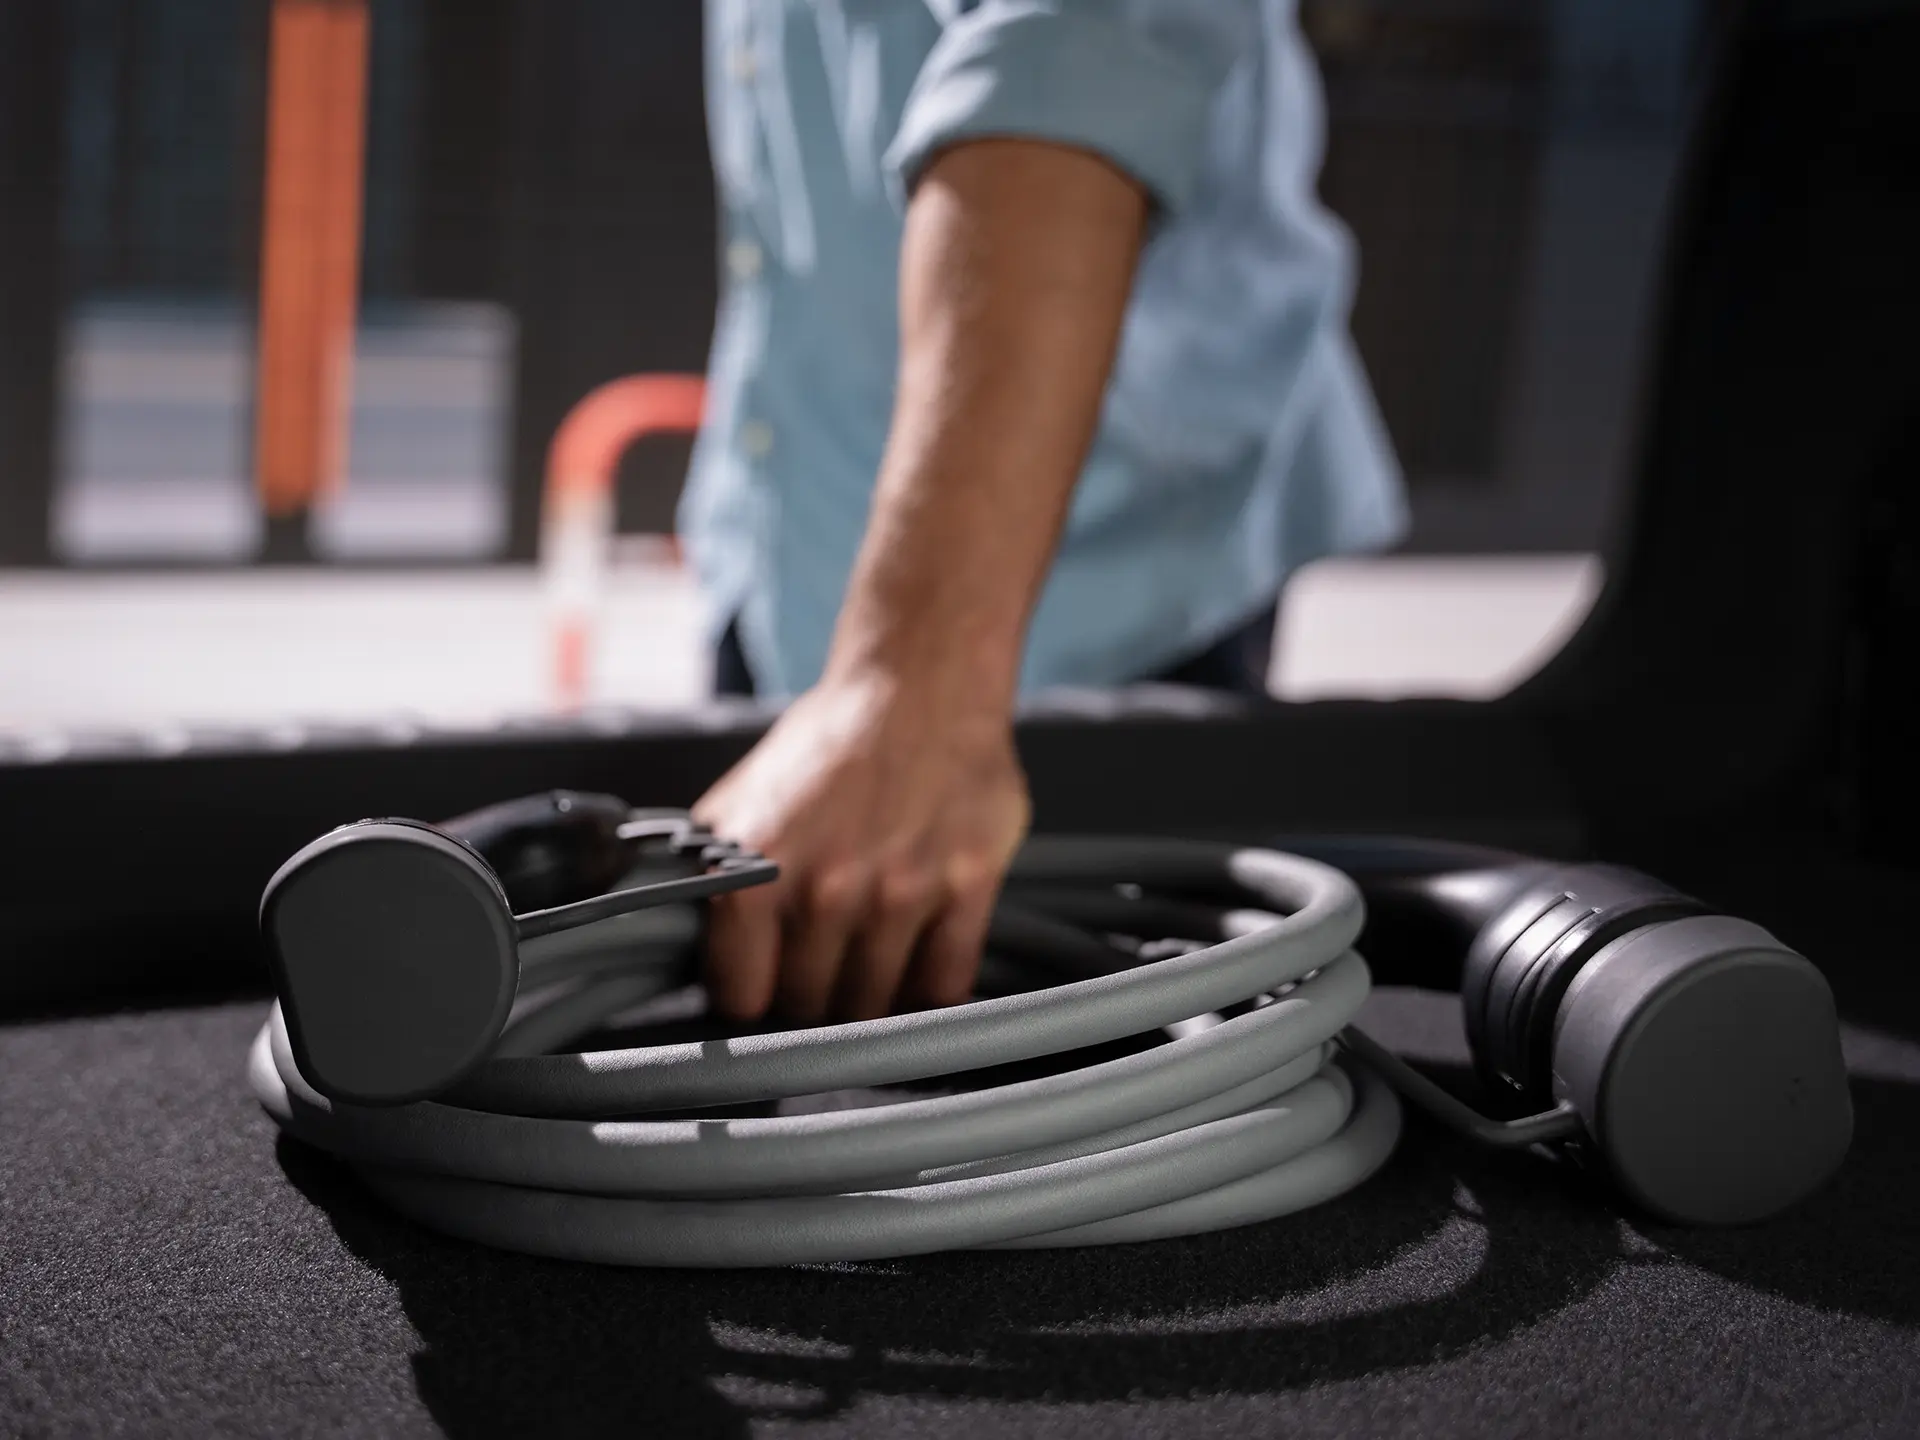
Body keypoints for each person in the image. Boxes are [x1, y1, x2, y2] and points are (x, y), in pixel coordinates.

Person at [677, 0, 1407, 1027]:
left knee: (1140, 1065)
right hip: (784, 539)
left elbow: (1074, 50)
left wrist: (909, 683)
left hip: (1083, 582)